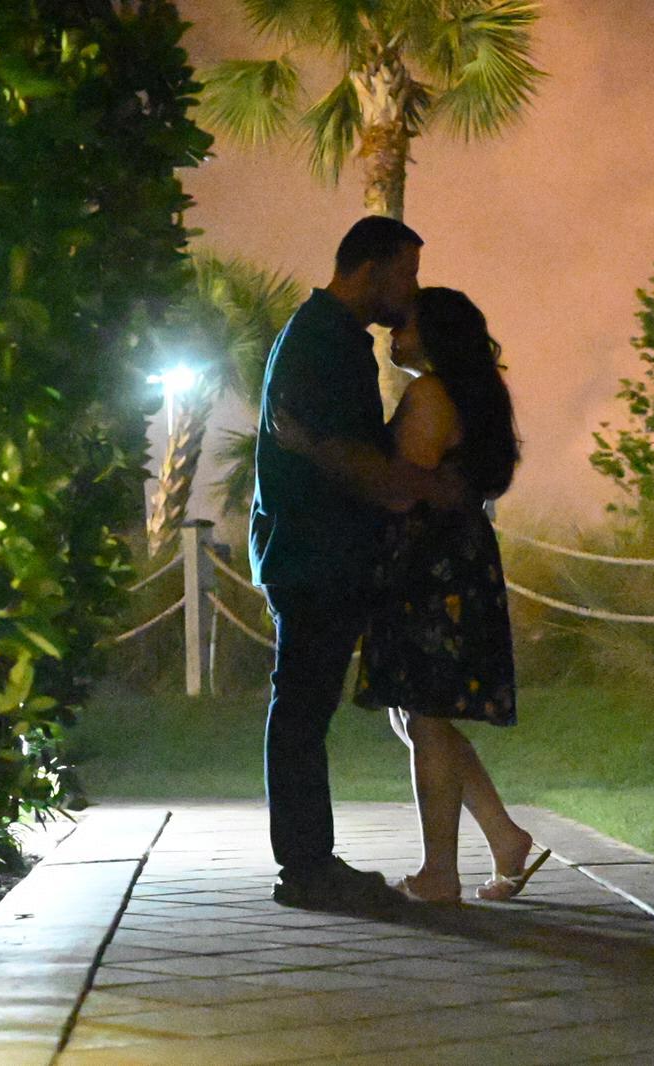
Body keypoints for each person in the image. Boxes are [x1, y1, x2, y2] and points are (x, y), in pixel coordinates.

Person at [276, 286, 548, 904]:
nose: (393, 330)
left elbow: (400, 487)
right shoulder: (466, 393)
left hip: (429, 565)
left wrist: (315, 450)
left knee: (423, 711)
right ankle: (504, 838)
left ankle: (440, 872)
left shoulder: (430, 394)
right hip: (450, 559)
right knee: (416, 712)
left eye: (407, 323)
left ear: (436, 334)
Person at [250, 217, 466, 909]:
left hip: (316, 551)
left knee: (308, 705)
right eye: (407, 273)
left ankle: (310, 862)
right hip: (312, 553)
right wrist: (429, 487)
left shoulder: (331, 337)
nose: (413, 290)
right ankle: (307, 867)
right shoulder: (322, 342)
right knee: (302, 707)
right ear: (371, 269)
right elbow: (350, 460)